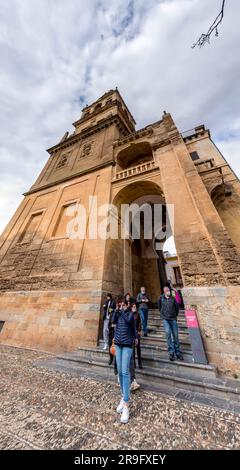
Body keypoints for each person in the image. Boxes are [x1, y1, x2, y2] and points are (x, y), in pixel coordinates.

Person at [112, 300, 135, 424]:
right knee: (120, 371)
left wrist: (123, 311)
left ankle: (126, 404)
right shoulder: (119, 313)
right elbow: (113, 321)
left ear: (128, 306)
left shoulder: (130, 314)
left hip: (127, 344)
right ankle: (123, 396)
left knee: (125, 371)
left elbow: (129, 321)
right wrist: (116, 311)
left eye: (124, 305)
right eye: (121, 305)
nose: (122, 306)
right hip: (119, 344)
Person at [158, 286, 183, 362]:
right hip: (165, 319)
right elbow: (159, 307)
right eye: (167, 290)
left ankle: (178, 352)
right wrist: (163, 314)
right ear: (164, 291)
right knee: (168, 333)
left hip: (173, 319)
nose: (168, 291)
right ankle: (171, 352)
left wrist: (175, 315)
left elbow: (177, 308)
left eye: (169, 290)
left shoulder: (173, 298)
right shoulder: (161, 298)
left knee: (175, 335)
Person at [132, 303, 143, 369]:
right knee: (133, 349)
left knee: (138, 348)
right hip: (131, 333)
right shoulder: (130, 314)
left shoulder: (137, 314)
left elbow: (139, 323)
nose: (134, 307)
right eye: (133, 306)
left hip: (136, 332)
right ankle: (134, 363)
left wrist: (139, 330)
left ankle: (140, 363)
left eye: (135, 307)